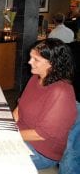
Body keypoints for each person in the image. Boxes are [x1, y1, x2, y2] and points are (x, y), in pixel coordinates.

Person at [13, 38, 77, 170]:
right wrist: (9, 126)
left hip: (42, 151)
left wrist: (9, 135)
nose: (30, 62)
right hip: (20, 134)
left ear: (52, 63)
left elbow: (41, 134)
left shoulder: (61, 91)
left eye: (36, 60)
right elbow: (20, 107)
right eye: (31, 57)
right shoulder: (35, 78)